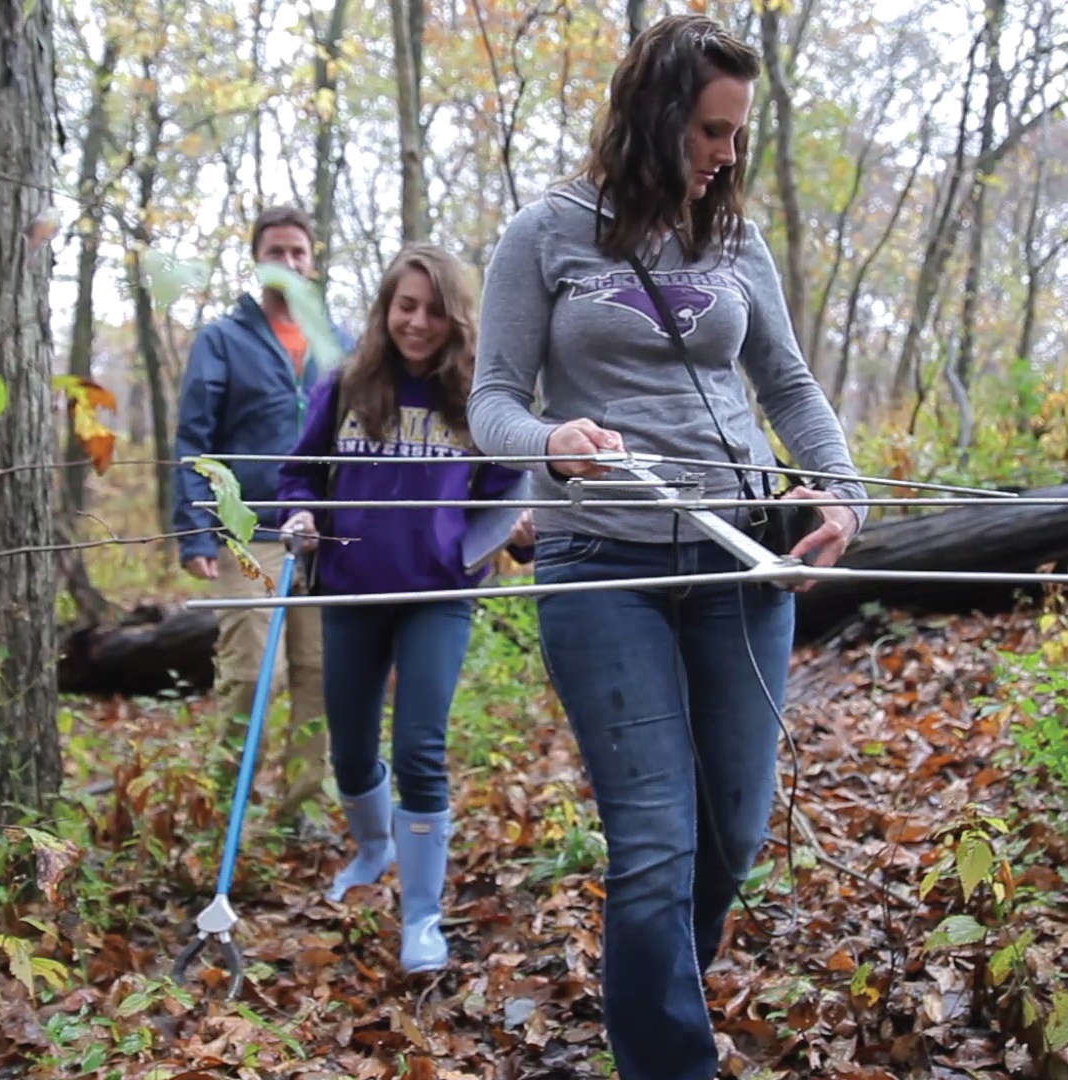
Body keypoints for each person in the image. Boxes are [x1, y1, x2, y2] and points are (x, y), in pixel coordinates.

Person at [465, 15, 868, 1078]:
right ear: (651, 119)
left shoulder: (734, 238)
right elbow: (493, 403)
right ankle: (668, 1061)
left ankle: (655, 1001)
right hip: (603, 564)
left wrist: (843, 490)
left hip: (742, 556)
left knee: (731, 836)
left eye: (736, 134)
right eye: (707, 132)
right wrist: (552, 440)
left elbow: (787, 384)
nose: (724, 155)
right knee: (653, 848)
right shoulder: (544, 232)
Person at [276, 244, 535, 973]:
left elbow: (509, 499)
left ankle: (421, 917)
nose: (416, 323)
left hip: (437, 596)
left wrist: (497, 544)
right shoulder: (346, 385)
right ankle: (371, 849)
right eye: (404, 306)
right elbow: (298, 475)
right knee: (351, 748)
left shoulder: (479, 399)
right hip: (353, 589)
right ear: (386, 308)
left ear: (456, 317)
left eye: (432, 309)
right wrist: (299, 519)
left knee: (421, 748)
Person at [172, 205, 356, 823]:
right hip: (250, 532)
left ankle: (298, 812)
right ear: (258, 262)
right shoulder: (223, 339)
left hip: (327, 536)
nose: (288, 263)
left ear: (313, 262)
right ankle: (225, 808)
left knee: (320, 677)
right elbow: (194, 438)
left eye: (298, 253)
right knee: (253, 676)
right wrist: (196, 527)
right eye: (276, 252)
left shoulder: (341, 344)